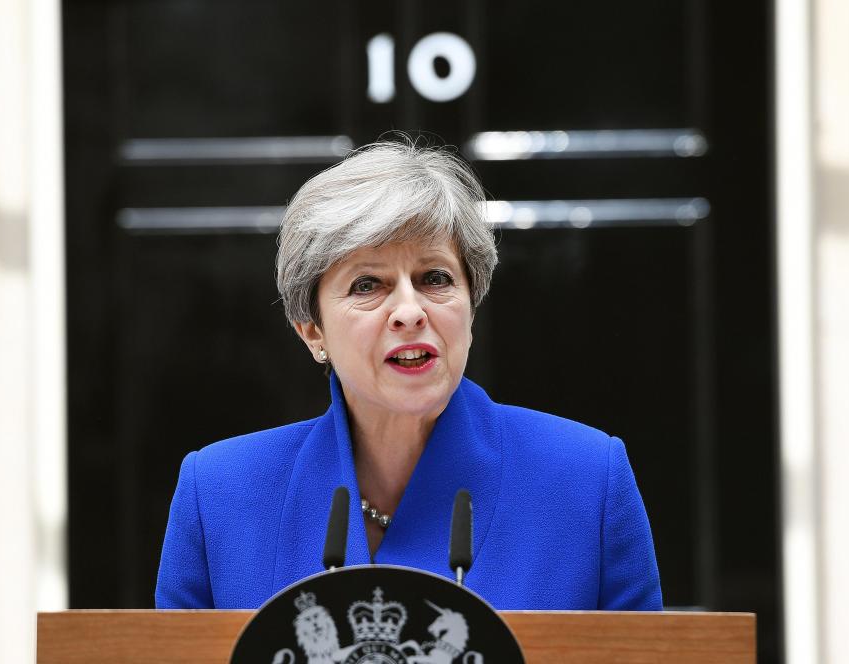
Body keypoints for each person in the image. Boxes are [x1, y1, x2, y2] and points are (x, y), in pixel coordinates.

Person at [155, 138, 662, 611]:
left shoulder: (588, 479)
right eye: (367, 284)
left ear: (471, 305)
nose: (409, 311)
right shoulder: (219, 495)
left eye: (434, 278)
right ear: (312, 331)